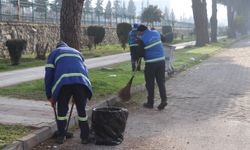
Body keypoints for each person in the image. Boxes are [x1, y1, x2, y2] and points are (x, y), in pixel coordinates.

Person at [45, 41, 93, 144]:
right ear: (67, 46)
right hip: (81, 82)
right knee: (82, 111)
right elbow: (85, 70)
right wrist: (81, 93)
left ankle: (61, 136)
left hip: (64, 83)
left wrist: (50, 95)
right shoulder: (77, 52)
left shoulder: (54, 53)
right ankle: (85, 137)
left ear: (57, 47)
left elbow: (49, 75)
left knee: (62, 110)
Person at [136, 25, 167, 110]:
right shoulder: (156, 32)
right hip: (161, 61)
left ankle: (150, 103)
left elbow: (140, 54)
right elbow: (164, 39)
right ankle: (164, 100)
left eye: (138, 33)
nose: (138, 34)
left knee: (150, 83)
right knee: (161, 82)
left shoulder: (142, 39)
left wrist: (139, 44)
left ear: (141, 32)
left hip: (151, 63)